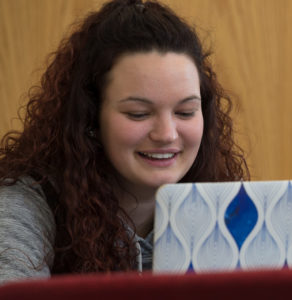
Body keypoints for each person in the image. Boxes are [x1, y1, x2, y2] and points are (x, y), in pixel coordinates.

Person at [0, 0, 249, 283]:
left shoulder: (235, 214)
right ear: (90, 117)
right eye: (138, 113)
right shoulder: (24, 209)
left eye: (185, 112)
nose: (167, 134)